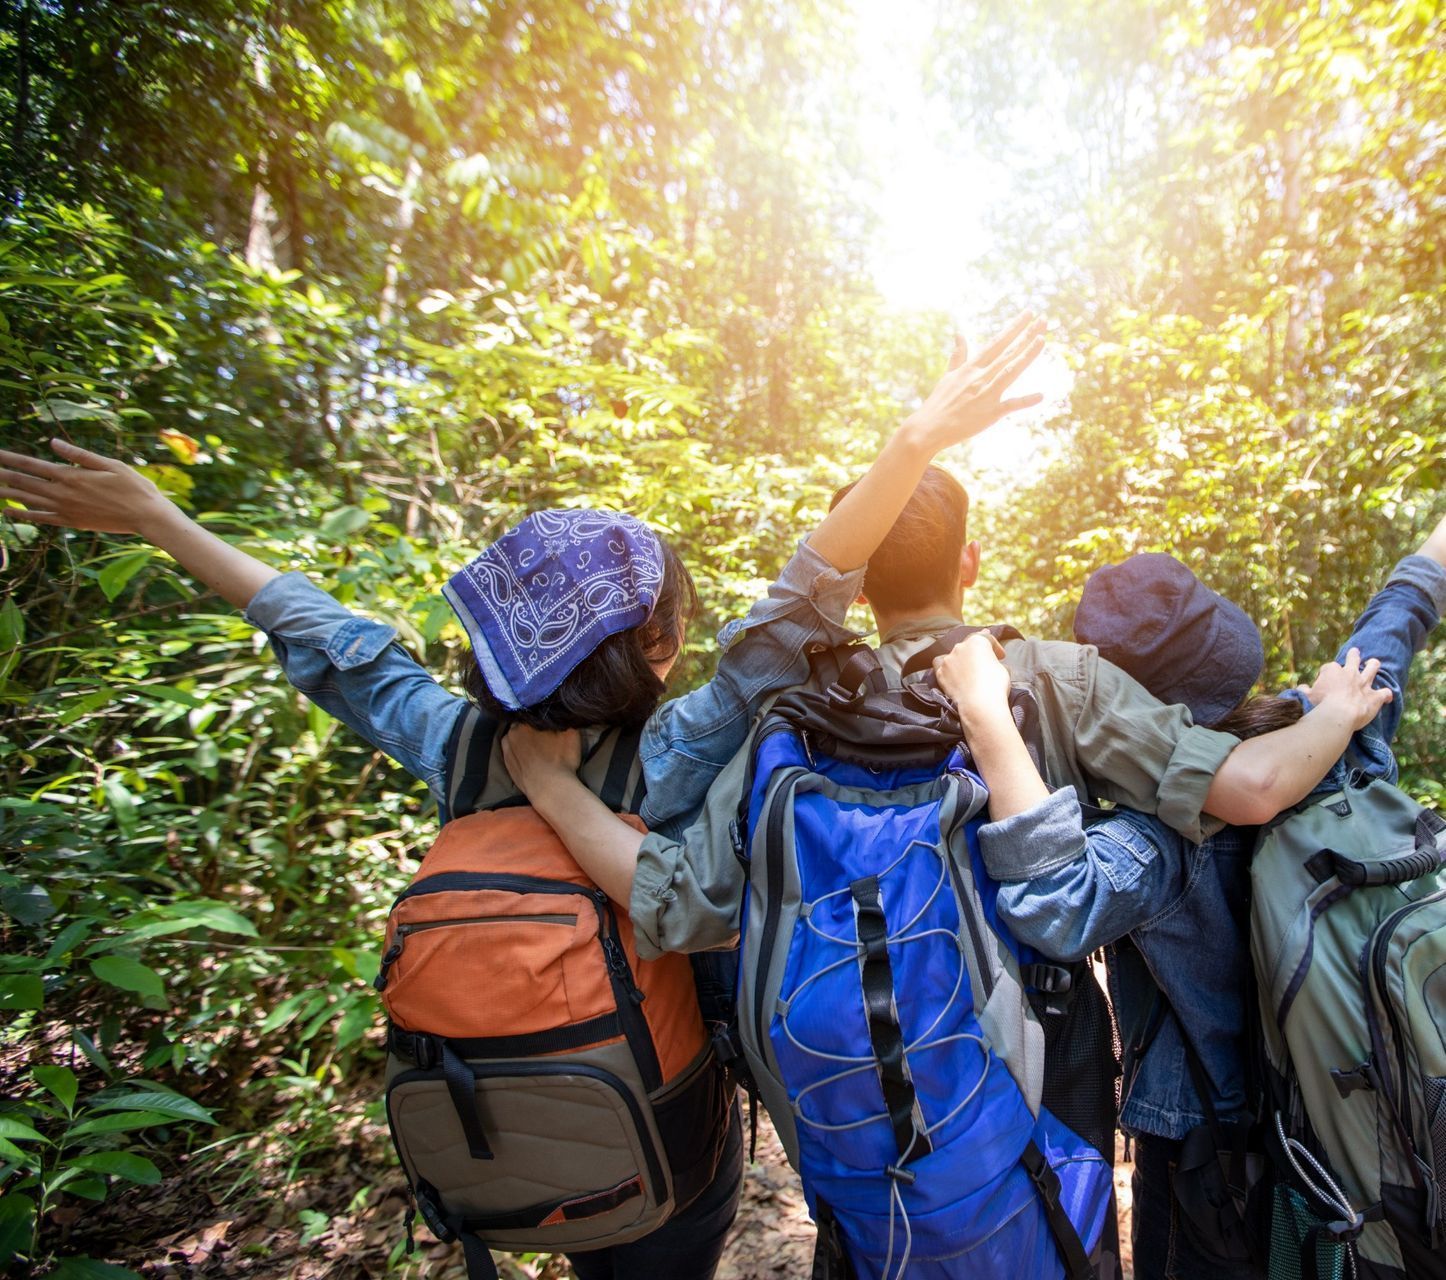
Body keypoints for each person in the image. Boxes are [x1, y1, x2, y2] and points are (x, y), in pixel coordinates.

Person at [0, 310, 1051, 1280]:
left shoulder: (461, 744)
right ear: (657, 646)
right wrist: (914, 438)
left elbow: (326, 636)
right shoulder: (675, 746)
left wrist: (158, 516)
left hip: (507, 1129)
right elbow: (807, 588)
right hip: (664, 1118)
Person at [501, 466, 1387, 965]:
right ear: (968, 563)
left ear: (862, 586)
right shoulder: (1055, 676)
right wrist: (1337, 711)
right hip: (1030, 1057)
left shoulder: (793, 708)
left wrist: (547, 783)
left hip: (844, 1075)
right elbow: (1253, 786)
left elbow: (685, 906)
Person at [930, 514, 1446, 1280]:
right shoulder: (1335, 727)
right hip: (1337, 1125)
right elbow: (1396, 618)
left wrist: (987, 721)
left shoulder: (1160, 836)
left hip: (1205, 1146)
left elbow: (1057, 903)